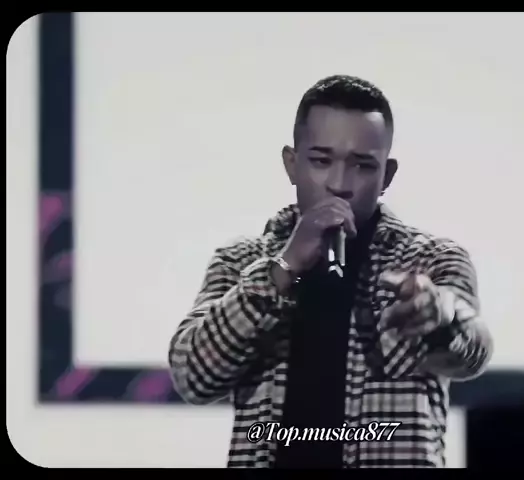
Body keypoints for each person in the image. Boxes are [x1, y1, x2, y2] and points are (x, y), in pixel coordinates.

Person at [167, 74, 493, 468]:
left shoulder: (430, 260)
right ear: (292, 164)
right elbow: (193, 377)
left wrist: (440, 317)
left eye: (362, 166)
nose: (339, 184)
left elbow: (473, 352)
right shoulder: (240, 260)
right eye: (321, 161)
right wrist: (282, 269)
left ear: (387, 175)